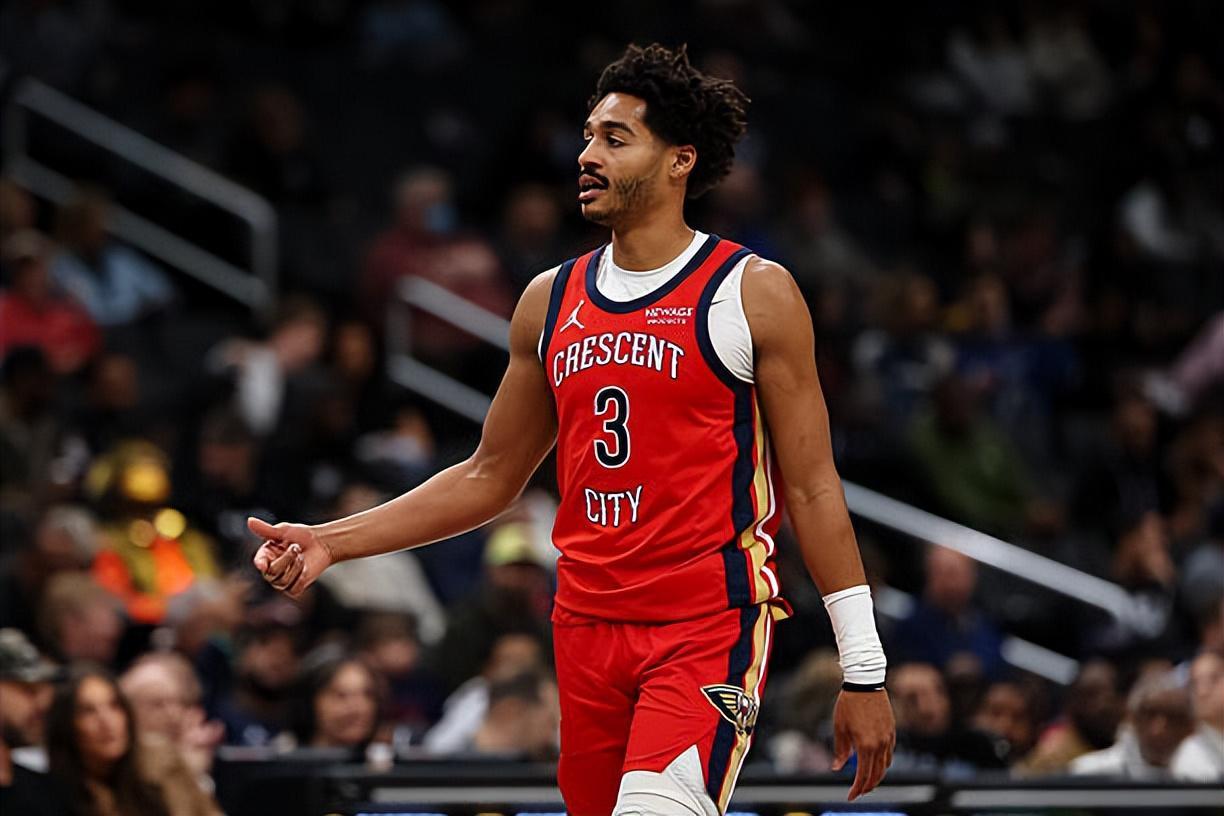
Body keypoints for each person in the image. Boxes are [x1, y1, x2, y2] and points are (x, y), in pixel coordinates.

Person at [251, 42, 894, 815]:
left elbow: (815, 488)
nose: (587, 155)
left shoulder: (751, 292)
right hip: (584, 626)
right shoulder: (548, 300)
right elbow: (489, 476)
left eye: (615, 139)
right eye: (588, 136)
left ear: (679, 160)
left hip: (703, 625)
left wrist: (864, 669)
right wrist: (330, 541)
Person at [46, 668, 222, 816]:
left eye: (114, 706)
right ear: (65, 725)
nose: (107, 722)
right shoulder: (51, 797)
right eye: (88, 711)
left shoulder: (160, 764)